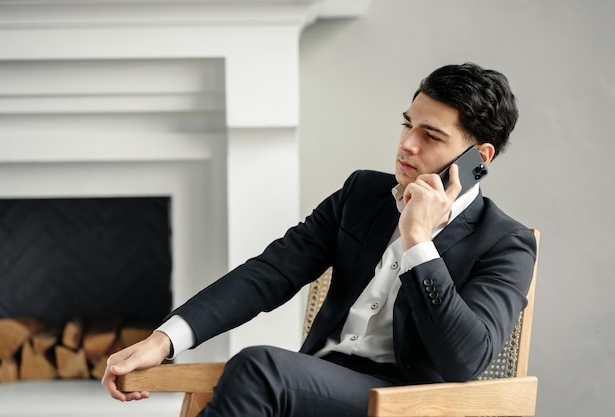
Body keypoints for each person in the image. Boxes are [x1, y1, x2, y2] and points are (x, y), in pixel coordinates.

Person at [102, 62, 537, 417]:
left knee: (260, 368)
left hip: (405, 403)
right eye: (408, 125)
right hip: (313, 382)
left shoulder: (505, 243)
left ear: (478, 159)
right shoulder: (363, 195)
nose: (406, 144)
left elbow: (465, 359)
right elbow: (271, 272)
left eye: (431, 136)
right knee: (263, 376)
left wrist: (418, 241)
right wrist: (163, 341)